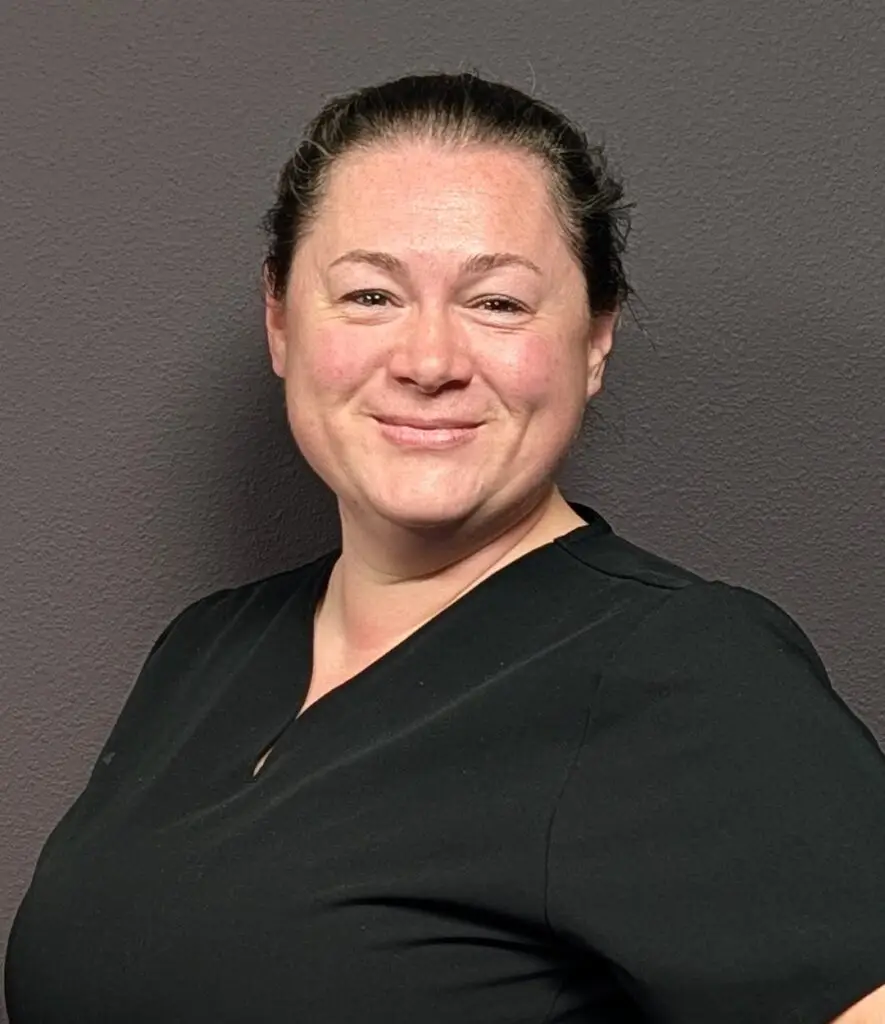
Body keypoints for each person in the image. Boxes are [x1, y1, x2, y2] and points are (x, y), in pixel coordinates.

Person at [4, 70, 885, 1024]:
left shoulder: (683, 672)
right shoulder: (206, 648)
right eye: (370, 295)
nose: (428, 362)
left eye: (497, 303)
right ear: (280, 321)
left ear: (594, 340)